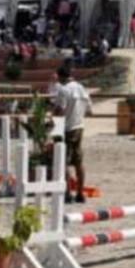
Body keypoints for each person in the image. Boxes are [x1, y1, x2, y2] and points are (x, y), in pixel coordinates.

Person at [53, 66, 91, 204]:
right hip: (79, 126)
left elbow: (60, 110)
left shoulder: (63, 90)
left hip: (66, 128)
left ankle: (68, 193)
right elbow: (89, 110)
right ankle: (80, 193)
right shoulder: (81, 88)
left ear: (61, 77)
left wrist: (53, 121)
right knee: (78, 162)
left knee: (64, 162)